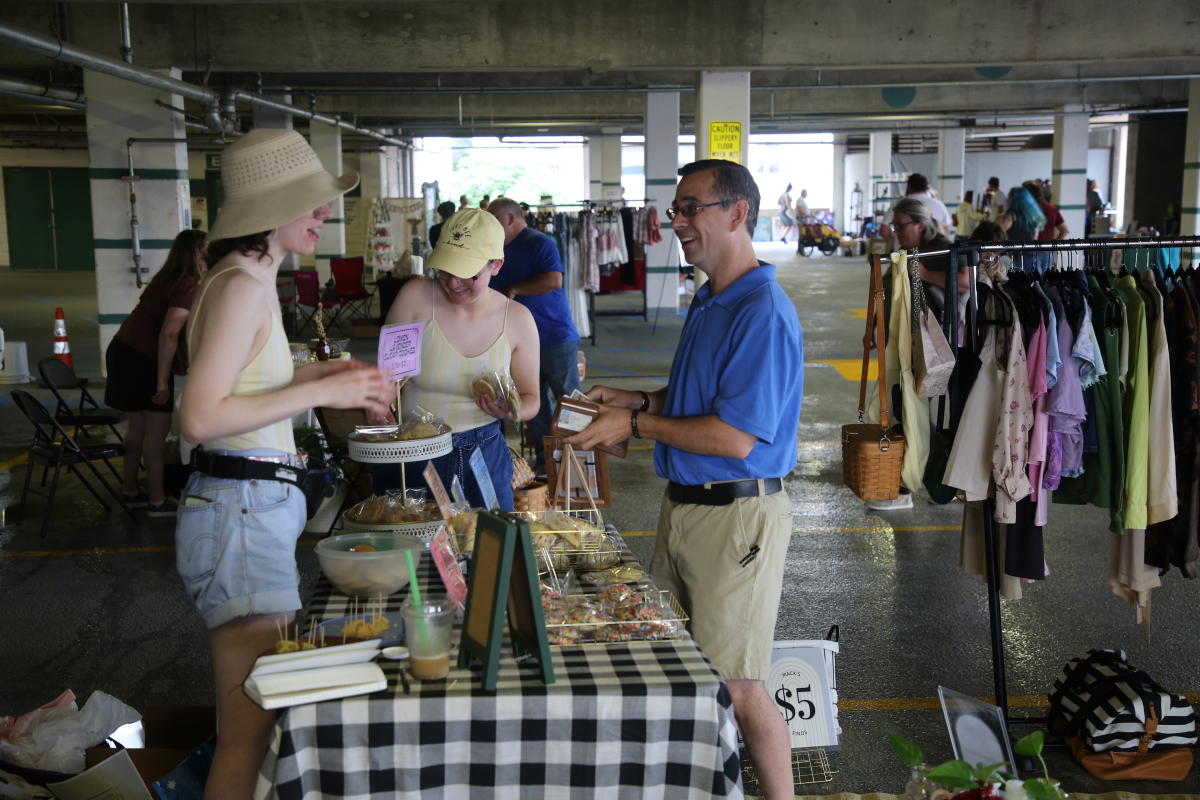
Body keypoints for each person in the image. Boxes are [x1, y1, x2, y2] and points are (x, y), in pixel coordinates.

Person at [566, 159, 803, 799]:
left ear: (737, 213)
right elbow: (700, 398)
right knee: (681, 665)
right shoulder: (711, 296)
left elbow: (732, 436)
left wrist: (632, 429)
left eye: (691, 207)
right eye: (676, 209)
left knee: (739, 683)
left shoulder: (761, 311)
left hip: (736, 519)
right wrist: (637, 400)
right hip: (690, 509)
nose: (677, 222)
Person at [176, 128, 392, 800]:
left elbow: (240, 387)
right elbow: (201, 418)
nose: (325, 213)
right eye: (311, 202)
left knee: (257, 727)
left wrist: (315, 371)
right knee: (249, 736)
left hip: (250, 512)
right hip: (239, 514)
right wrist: (322, 390)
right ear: (268, 209)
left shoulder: (249, 279)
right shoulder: (241, 285)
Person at [380, 208, 540, 510]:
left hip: (485, 456)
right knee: (412, 550)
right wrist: (379, 406)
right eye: (445, 271)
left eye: (467, 274)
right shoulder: (415, 298)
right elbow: (388, 376)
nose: (453, 284)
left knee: (488, 548)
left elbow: (532, 398)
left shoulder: (517, 320)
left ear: (496, 265)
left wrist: (512, 409)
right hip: (415, 450)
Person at [104, 228, 206, 517]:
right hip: (145, 360)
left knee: (137, 428)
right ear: (196, 253)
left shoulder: (165, 279)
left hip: (122, 350)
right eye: (206, 251)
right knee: (156, 433)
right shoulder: (187, 285)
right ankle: (158, 500)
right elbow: (169, 333)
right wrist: (162, 381)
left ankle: (131, 490)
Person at [487, 196, 582, 467]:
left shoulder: (539, 242)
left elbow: (554, 279)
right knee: (532, 403)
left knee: (570, 400)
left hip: (554, 337)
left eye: (494, 220)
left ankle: (579, 458)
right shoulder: (496, 250)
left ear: (510, 219)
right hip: (520, 343)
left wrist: (516, 289)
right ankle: (545, 461)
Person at [1005, 185, 1047, 271]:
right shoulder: (1034, 218)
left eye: (1009, 197)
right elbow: (1034, 239)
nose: (1006, 199)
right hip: (1032, 260)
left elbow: (997, 237)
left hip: (1013, 261)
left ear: (1015, 200)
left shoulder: (1010, 218)